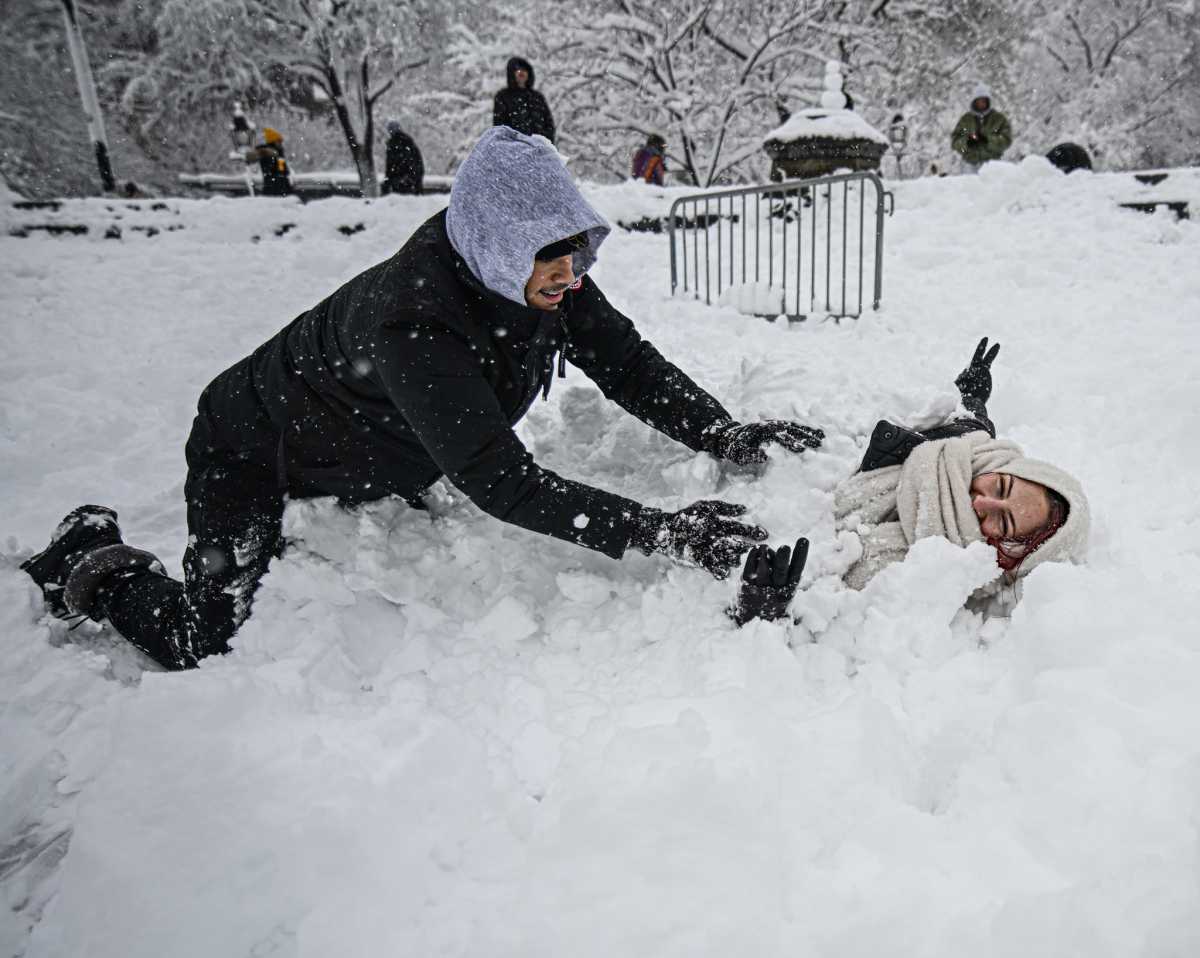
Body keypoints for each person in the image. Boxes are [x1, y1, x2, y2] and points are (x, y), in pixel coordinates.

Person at [21, 127, 823, 671]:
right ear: (494, 245)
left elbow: (630, 366)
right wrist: (665, 532)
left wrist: (724, 433)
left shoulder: (548, 280)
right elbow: (499, 481)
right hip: (252, 446)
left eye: (576, 249)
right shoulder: (413, 322)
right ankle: (88, 558)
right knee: (208, 638)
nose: (571, 274)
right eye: (549, 256)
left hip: (367, 451)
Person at [732, 338, 1090, 624]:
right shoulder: (969, 452)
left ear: (1010, 557)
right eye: (1001, 487)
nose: (982, 502)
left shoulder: (921, 578)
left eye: (1003, 521)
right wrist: (974, 396)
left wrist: (763, 614)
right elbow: (972, 424)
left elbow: (833, 625)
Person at [951, 84, 1013, 173]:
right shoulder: (965, 120)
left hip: (993, 164)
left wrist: (988, 140)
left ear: (988, 101)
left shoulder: (999, 119)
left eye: (984, 101)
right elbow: (955, 141)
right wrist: (967, 143)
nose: (981, 104)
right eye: (979, 101)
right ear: (974, 102)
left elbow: (1006, 141)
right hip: (970, 165)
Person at [493, 57, 556, 143]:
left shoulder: (538, 97)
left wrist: (545, 142)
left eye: (524, 70)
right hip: (514, 150)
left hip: (539, 148)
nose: (521, 73)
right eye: (518, 70)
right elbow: (499, 127)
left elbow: (549, 125)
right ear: (512, 73)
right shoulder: (503, 97)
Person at [244, 127, 292, 196]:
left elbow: (282, 170)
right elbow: (279, 171)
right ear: (273, 142)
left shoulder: (276, 153)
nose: (281, 143)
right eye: (279, 141)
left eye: (281, 141)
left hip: (276, 188)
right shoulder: (270, 153)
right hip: (276, 189)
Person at [381, 120, 424, 195]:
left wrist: (388, 181)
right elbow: (417, 163)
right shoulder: (409, 143)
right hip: (411, 179)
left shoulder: (393, 144)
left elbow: (391, 165)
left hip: (400, 180)